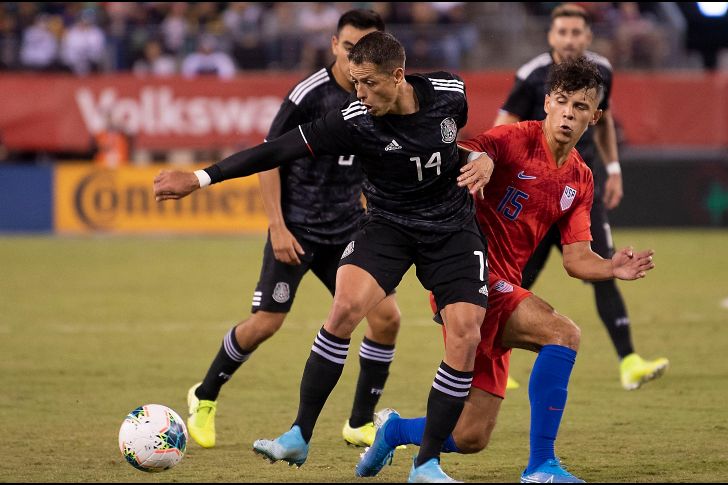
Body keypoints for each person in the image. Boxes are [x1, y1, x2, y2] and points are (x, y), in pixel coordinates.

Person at [154, 31, 494, 482]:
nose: (360, 93)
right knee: (345, 308)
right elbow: (275, 150)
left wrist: (485, 156)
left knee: (466, 334)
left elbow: (466, 144)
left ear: (398, 75)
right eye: (355, 83)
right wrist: (199, 179)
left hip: (451, 228)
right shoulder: (353, 120)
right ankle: (299, 434)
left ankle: (426, 462)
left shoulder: (450, 93)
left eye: (369, 83)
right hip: (388, 226)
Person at [356, 56, 656, 483]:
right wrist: (484, 160)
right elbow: (475, 149)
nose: (570, 113)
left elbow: (575, 259)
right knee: (563, 332)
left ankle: (395, 430)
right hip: (466, 276)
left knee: (472, 434)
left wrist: (611, 268)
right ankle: (541, 467)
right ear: (548, 103)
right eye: (563, 102)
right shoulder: (516, 138)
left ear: (595, 117)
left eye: (581, 107)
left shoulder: (581, 179)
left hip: (501, 288)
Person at [180, 10, 403, 451]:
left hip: (347, 229)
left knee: (387, 318)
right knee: (266, 323)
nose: (356, 57)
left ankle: (359, 422)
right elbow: (270, 156)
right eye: (349, 47)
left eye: (366, 49)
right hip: (298, 229)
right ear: (334, 44)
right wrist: (278, 227)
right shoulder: (310, 94)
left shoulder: (384, 95)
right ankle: (204, 396)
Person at [492, 3, 667, 391]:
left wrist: (614, 169)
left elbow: (603, 122)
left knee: (605, 270)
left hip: (578, 193)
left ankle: (629, 362)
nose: (570, 39)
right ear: (551, 36)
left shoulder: (602, 72)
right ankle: (493, 361)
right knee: (512, 279)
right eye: (563, 32)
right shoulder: (532, 75)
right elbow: (502, 126)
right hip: (535, 196)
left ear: (588, 37)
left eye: (577, 33)